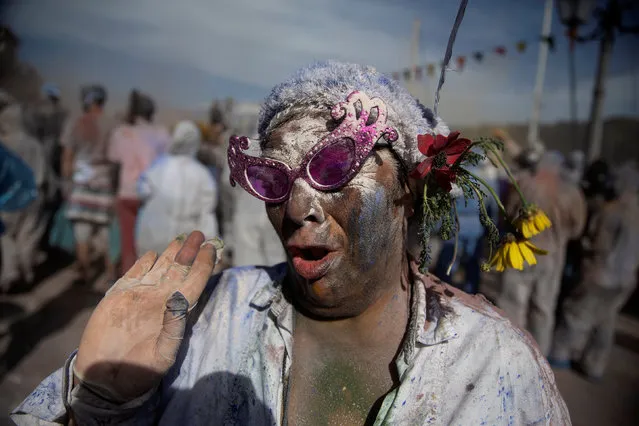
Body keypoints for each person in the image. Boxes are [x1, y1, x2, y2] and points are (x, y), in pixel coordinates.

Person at [11, 61, 569, 425]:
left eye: (333, 167)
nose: (298, 209)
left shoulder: (494, 366)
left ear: (408, 188)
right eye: (274, 180)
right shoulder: (198, 318)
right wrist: (104, 403)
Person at [549, 163, 639, 380]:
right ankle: (594, 366)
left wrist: (583, 246)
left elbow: (597, 244)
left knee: (576, 315)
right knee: (606, 320)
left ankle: (558, 357)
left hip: (601, 275)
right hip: (626, 279)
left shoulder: (612, 211)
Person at [498, 150, 587, 356]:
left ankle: (510, 352)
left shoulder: (526, 184)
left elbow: (509, 213)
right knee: (544, 308)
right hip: (553, 257)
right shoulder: (572, 192)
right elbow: (577, 229)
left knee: (513, 303)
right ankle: (539, 356)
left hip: (522, 250)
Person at [108, 90, 170, 273]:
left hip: (125, 192)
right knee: (148, 240)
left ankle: (126, 275)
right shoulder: (161, 134)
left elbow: (115, 166)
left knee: (127, 239)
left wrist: (114, 192)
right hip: (151, 196)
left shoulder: (121, 133)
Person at [135, 120, 219, 256]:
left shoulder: (158, 166)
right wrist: (211, 244)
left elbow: (142, 191)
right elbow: (207, 211)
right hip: (184, 241)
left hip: (153, 236)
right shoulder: (202, 173)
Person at [61, 84, 115, 283]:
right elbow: (116, 160)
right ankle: (110, 273)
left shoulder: (75, 123)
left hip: (81, 185)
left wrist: (66, 182)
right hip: (105, 186)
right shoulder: (113, 124)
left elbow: (67, 157)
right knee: (105, 233)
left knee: (81, 232)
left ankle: (85, 273)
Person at [0, 102, 47, 289]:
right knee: (27, 237)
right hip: (34, 196)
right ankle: (26, 275)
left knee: (6, 238)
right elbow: (44, 173)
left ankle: (10, 276)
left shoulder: (5, 144)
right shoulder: (35, 144)